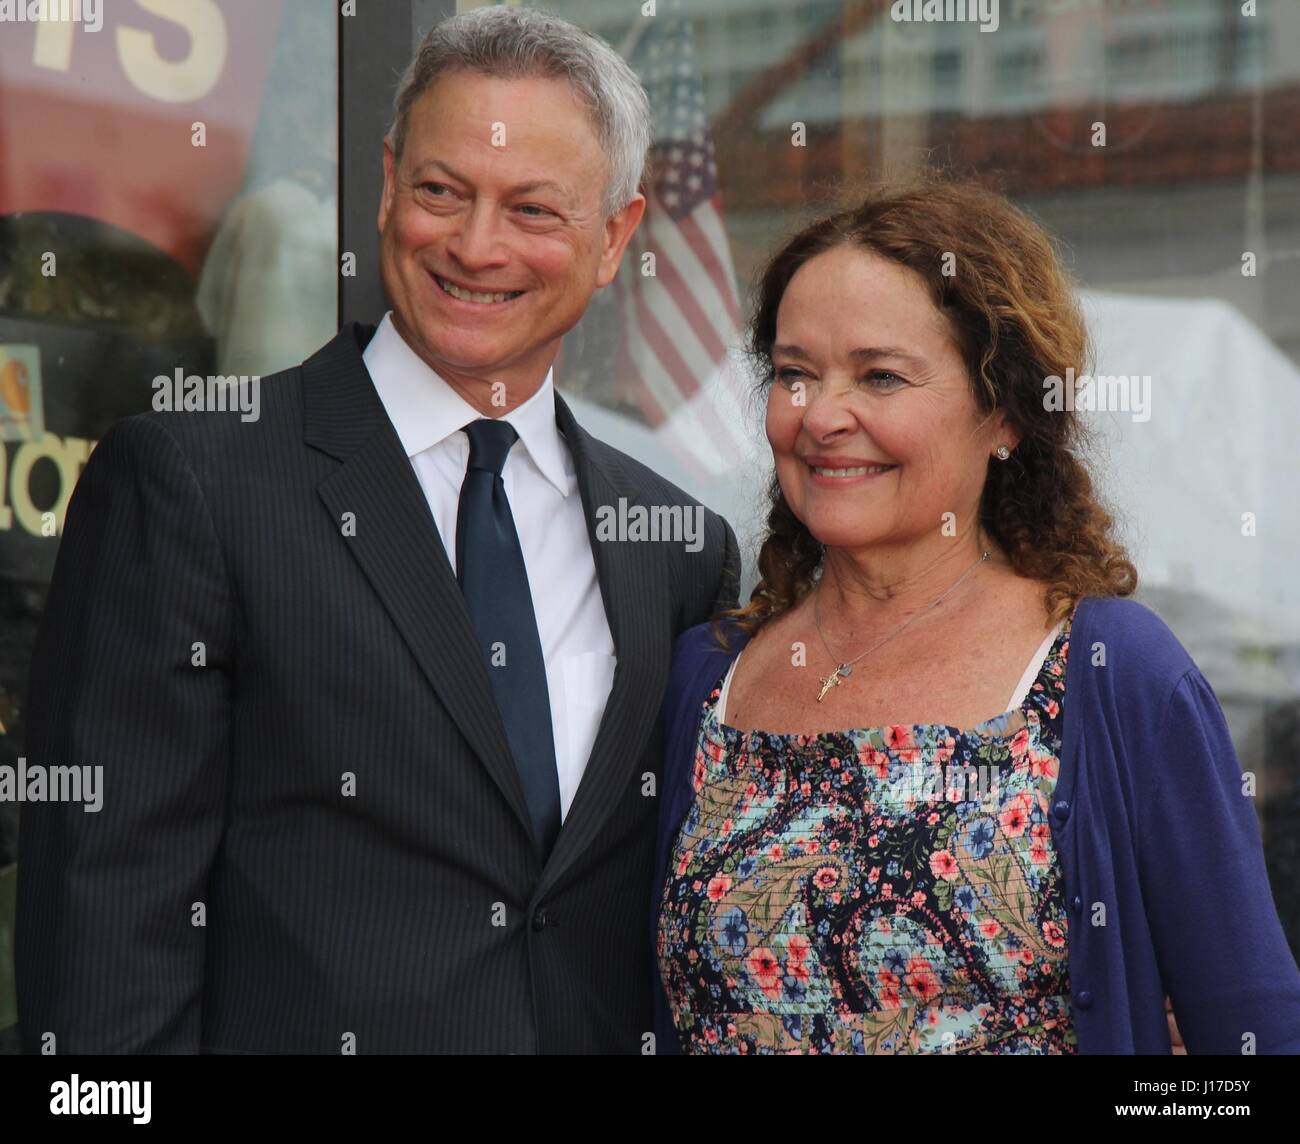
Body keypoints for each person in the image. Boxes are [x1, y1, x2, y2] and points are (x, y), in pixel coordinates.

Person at [16, 6, 737, 1054]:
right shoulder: (194, 483)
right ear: (389, 182)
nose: (475, 245)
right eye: (443, 191)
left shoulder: (674, 545)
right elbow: (105, 924)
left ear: (616, 238)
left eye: (533, 209)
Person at [653, 179, 1300, 1054]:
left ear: (1002, 412)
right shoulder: (709, 675)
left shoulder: (1110, 672)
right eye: (797, 374)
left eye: (880, 376)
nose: (824, 417)